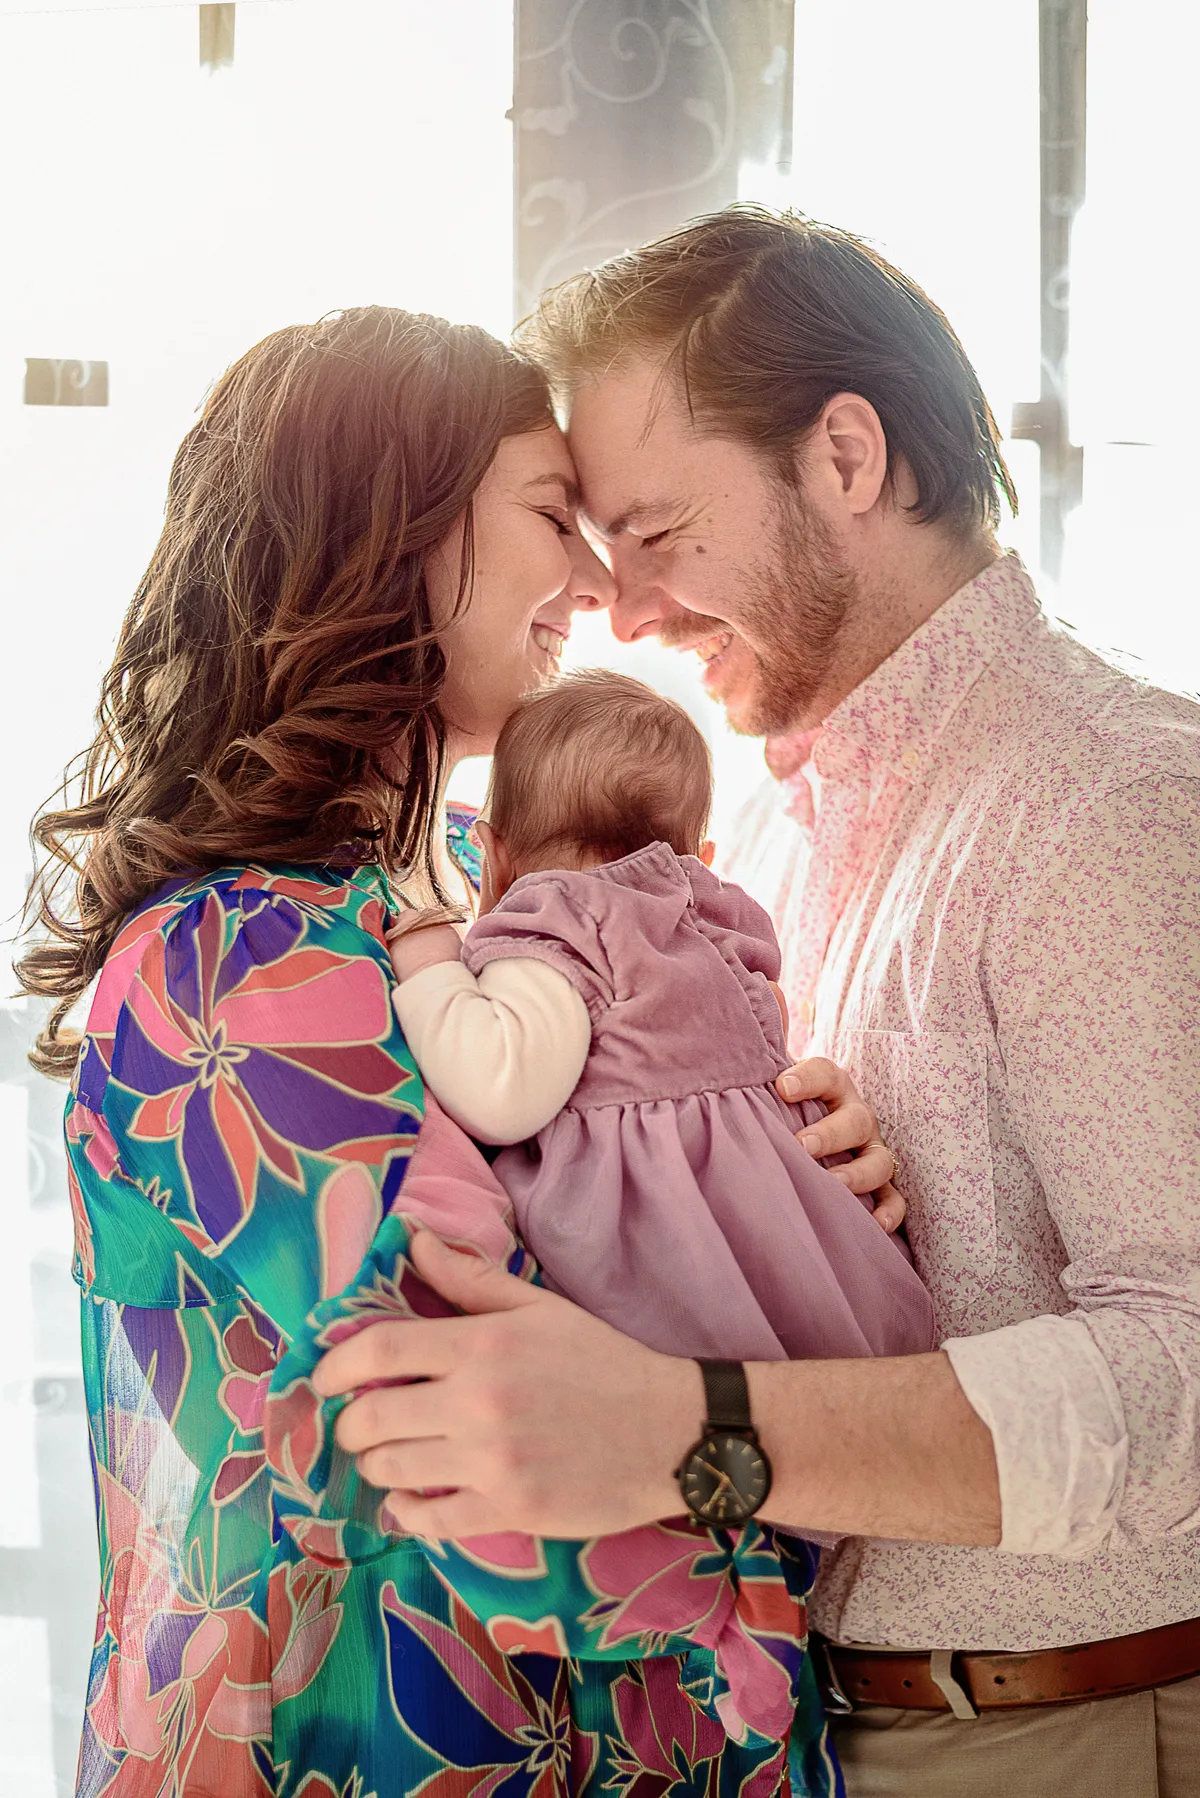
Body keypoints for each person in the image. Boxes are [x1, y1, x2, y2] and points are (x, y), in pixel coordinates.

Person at [316, 211, 1200, 1797]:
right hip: (822, 1725)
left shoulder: (1113, 801)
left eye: (655, 529)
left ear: (847, 458)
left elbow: (1191, 1379)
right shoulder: (758, 837)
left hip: (1058, 1732)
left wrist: (687, 1427)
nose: (622, 608)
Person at [18, 301, 898, 1798]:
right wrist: (798, 1448)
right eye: (555, 513)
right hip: (381, 1748)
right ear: (393, 530)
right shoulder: (236, 955)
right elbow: (496, 1453)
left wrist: (793, 1178)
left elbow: (637, 1271)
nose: (605, 584)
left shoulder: (505, 882)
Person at [388, 664, 935, 1375]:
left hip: (678, 1291)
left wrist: (430, 960)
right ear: (701, 860)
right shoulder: (719, 929)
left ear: (493, 856)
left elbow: (499, 1090)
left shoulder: (558, 922)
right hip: (817, 1267)